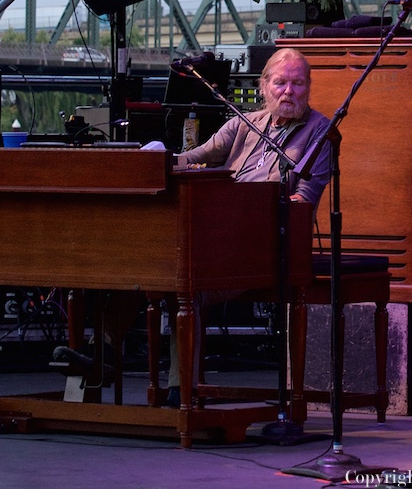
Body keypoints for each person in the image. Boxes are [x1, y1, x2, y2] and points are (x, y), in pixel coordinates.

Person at [55, 48, 332, 406]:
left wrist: (253, 211)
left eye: (297, 83)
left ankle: (180, 391)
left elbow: (304, 201)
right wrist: (152, 160)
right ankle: (102, 355)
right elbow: (194, 158)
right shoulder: (243, 124)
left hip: (263, 246)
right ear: (264, 86)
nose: (289, 92)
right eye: (280, 83)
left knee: (188, 286)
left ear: (309, 87)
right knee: (142, 265)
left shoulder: (319, 132)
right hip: (213, 235)